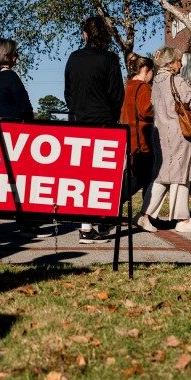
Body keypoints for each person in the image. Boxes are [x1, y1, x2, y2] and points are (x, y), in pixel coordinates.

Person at [64, 16, 124, 244]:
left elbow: (68, 91)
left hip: (78, 120)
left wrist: (77, 108)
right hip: (103, 122)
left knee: (81, 176)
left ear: (85, 34)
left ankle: (85, 227)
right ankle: (100, 220)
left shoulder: (74, 58)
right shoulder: (110, 59)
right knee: (102, 176)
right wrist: (112, 115)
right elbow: (117, 94)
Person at [136, 46, 191, 234]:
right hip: (179, 133)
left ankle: (145, 215)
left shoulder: (155, 83)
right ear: (170, 63)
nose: (181, 63)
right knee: (181, 174)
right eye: (178, 60)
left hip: (160, 134)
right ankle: (183, 219)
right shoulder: (176, 80)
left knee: (162, 175)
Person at [0, 38, 34, 235]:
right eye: (14, 53)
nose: (17, 56)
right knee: (18, 181)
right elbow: (25, 107)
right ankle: (24, 222)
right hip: (11, 137)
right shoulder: (10, 77)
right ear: (7, 55)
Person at [120, 52, 155, 197]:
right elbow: (146, 111)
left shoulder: (127, 86)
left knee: (136, 176)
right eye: (152, 71)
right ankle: (144, 214)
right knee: (143, 177)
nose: (153, 75)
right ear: (146, 69)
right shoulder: (144, 87)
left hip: (129, 137)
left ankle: (145, 214)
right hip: (142, 139)